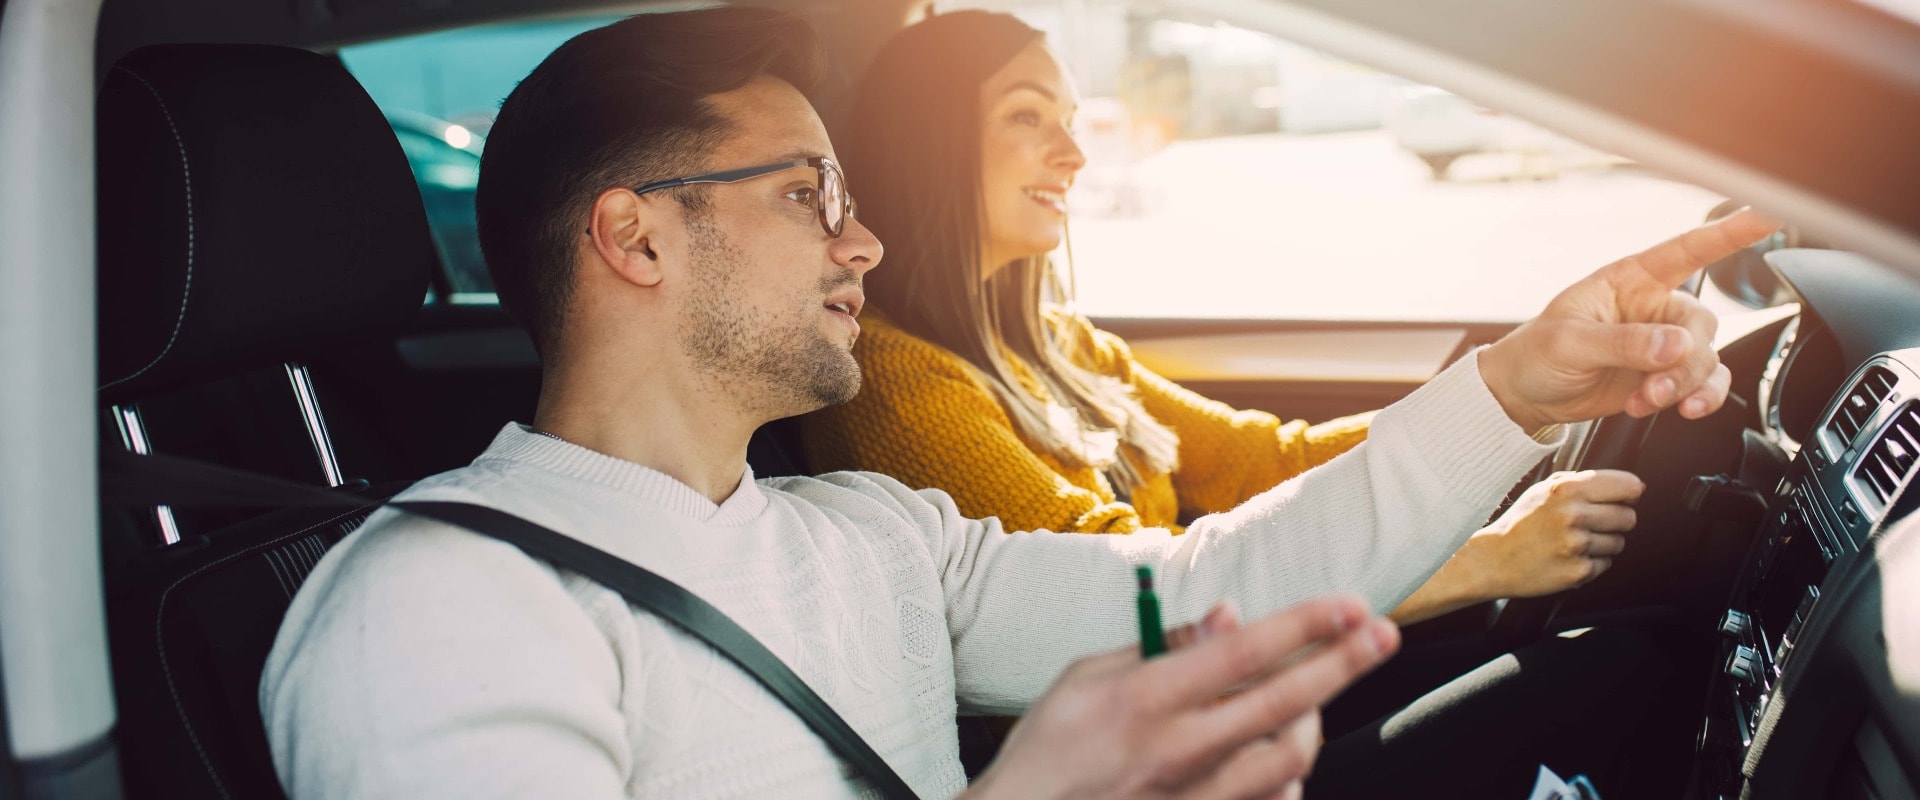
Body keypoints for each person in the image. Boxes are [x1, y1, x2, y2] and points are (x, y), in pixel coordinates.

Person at [259, 8, 1773, 800]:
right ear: (633, 234)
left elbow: (1215, 585)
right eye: (806, 197)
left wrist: (1516, 386)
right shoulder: (435, 605)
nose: (863, 243)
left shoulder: (872, 537)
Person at [803, 10, 1647, 628]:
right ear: (930, 141)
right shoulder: (901, 382)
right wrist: (1487, 559)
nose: (1074, 152)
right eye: (1027, 116)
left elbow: (1262, 462)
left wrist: (1509, 399)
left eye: (1067, 118)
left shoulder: (1057, 344)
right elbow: (1147, 607)